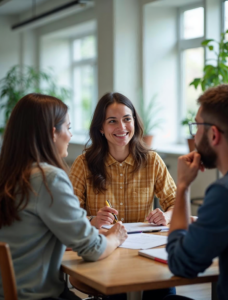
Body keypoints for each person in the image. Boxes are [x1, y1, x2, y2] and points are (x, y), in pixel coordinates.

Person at [0, 93, 128, 300]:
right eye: (68, 128)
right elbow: (93, 250)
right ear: (53, 133)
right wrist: (116, 236)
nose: (70, 135)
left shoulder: (9, 174)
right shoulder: (47, 179)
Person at [70, 92, 177, 229]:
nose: (122, 127)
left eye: (127, 119)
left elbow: (176, 203)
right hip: (101, 245)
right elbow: (70, 214)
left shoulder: (152, 161)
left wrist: (166, 216)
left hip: (141, 244)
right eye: (112, 121)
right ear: (101, 127)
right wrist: (93, 221)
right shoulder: (83, 164)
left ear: (134, 122)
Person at [166, 84, 228, 300]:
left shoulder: (224, 193)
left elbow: (181, 264)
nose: (194, 136)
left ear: (213, 135)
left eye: (197, 126)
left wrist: (183, 186)